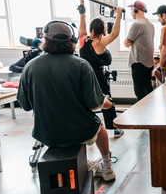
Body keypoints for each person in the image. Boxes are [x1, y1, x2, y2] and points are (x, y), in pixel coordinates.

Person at [17, 20, 116, 181]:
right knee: (100, 127)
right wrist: (108, 103)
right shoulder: (81, 65)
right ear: (72, 42)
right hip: (78, 131)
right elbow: (95, 104)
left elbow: (25, 105)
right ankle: (107, 167)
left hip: (46, 133)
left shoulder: (31, 66)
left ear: (45, 40)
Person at [76, 0, 124, 137]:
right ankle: (114, 128)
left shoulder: (82, 38)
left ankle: (86, 128)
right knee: (106, 100)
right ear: (102, 28)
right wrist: (119, 15)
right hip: (97, 76)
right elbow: (115, 33)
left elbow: (82, 18)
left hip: (83, 75)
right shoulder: (100, 41)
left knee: (84, 101)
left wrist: (82, 2)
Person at [124, 1, 155, 102]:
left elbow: (127, 42)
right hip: (148, 62)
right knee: (148, 88)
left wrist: (127, 43)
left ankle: (142, 113)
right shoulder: (150, 25)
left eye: (132, 10)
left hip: (138, 62)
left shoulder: (137, 24)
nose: (131, 12)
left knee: (139, 91)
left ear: (136, 10)